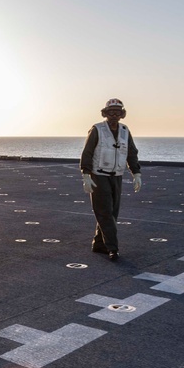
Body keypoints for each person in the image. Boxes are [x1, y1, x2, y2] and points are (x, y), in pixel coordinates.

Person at [79, 98, 142, 261]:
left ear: (122, 114)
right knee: (105, 213)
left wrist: (136, 173)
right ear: (105, 113)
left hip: (116, 177)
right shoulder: (97, 129)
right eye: (111, 112)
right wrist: (86, 175)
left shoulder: (124, 130)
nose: (114, 115)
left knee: (112, 212)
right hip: (99, 176)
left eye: (118, 112)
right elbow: (87, 153)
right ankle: (112, 248)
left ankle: (99, 244)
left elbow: (131, 152)